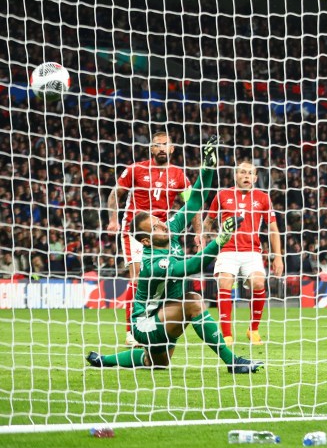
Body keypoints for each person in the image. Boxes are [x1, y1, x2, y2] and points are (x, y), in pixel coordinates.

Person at [86, 137, 262, 373]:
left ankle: (104, 360)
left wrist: (207, 167)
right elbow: (187, 268)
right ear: (147, 240)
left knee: (156, 363)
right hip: (145, 322)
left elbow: (196, 199)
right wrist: (220, 241)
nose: (163, 225)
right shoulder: (152, 262)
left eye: (160, 221)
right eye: (157, 227)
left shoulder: (171, 227)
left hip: (165, 315)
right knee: (194, 301)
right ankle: (232, 362)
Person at [106, 131, 201, 346]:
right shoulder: (136, 169)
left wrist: (198, 232)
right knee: (138, 277)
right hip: (135, 232)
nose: (160, 148)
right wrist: (113, 220)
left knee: (160, 277)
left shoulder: (178, 175)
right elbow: (115, 194)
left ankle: (155, 326)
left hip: (161, 233)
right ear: (151, 148)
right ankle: (132, 331)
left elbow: (193, 204)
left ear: (172, 148)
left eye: (164, 144)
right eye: (156, 145)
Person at [204, 159, 283, 346]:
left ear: (255, 177)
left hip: (252, 251)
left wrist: (278, 255)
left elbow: (273, 228)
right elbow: (208, 221)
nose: (246, 176)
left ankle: (253, 330)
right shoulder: (222, 195)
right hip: (227, 249)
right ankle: (226, 334)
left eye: (249, 173)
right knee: (225, 281)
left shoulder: (263, 198)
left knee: (258, 281)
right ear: (235, 175)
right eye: (242, 172)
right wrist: (204, 241)